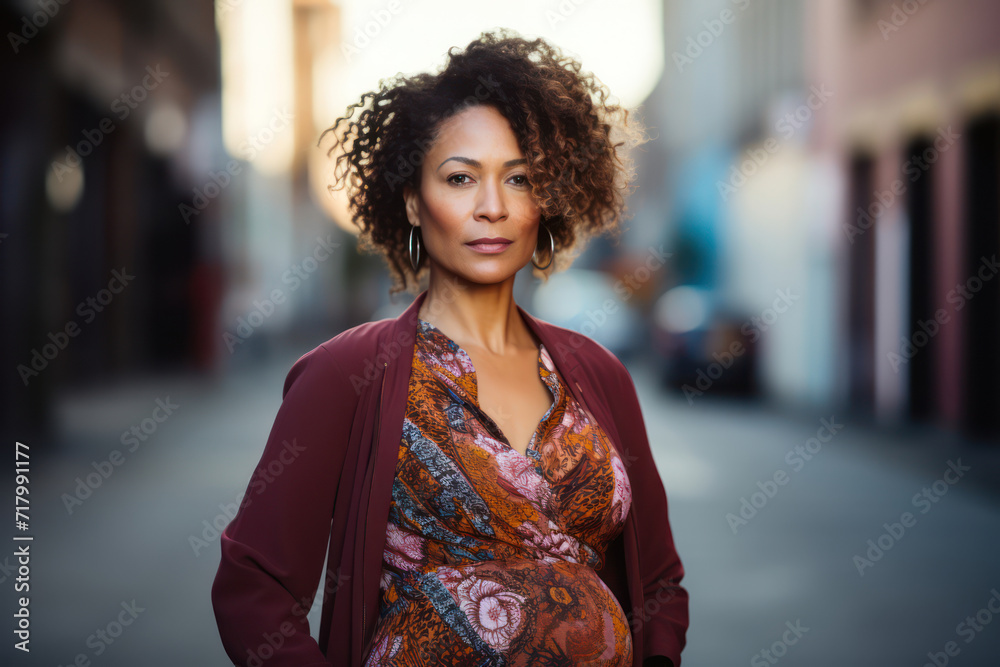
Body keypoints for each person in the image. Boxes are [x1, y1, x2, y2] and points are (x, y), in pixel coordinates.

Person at [212, 29, 688, 667]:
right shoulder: (346, 374)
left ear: (544, 202)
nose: (491, 207)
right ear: (412, 201)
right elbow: (253, 586)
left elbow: (658, 584)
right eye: (461, 178)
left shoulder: (599, 375)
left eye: (518, 179)